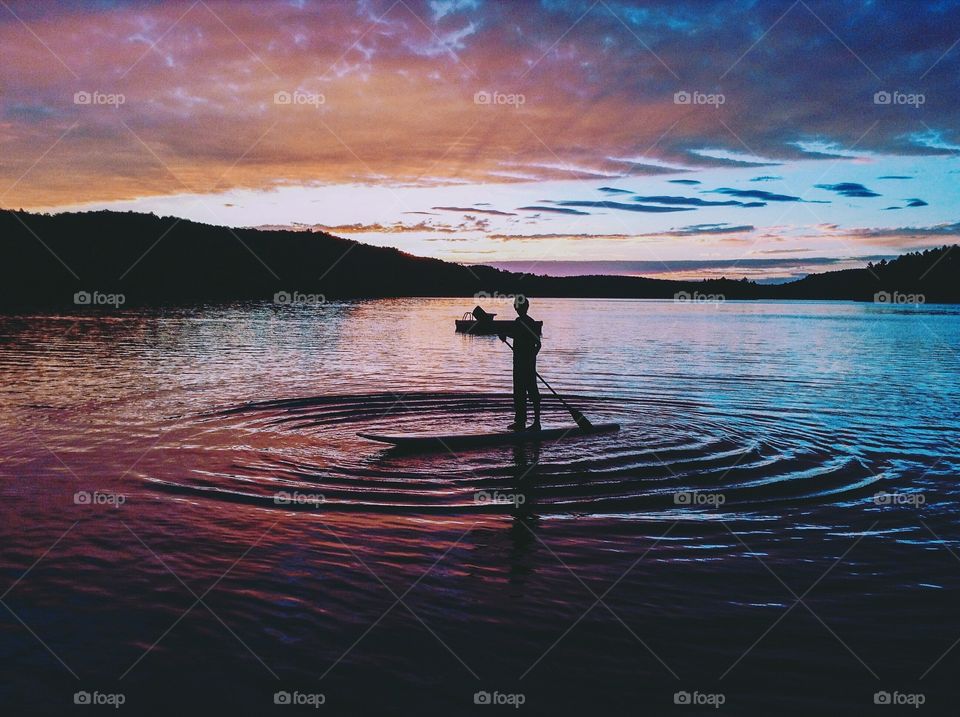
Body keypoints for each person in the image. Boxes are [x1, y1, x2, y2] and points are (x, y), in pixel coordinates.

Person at [499, 295, 541, 431]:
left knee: (532, 391)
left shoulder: (530, 322)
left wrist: (530, 358)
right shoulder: (518, 322)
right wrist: (504, 336)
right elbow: (516, 335)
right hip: (517, 363)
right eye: (517, 307)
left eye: (519, 307)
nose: (518, 309)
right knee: (519, 392)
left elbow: (538, 344)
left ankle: (536, 422)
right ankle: (520, 421)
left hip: (527, 363)